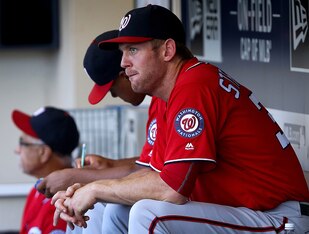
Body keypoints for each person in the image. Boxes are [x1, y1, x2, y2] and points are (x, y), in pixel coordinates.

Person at [52, 4, 309, 233]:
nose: (123, 62)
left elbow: (171, 190)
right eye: (122, 52)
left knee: (147, 214)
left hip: (281, 219)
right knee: (118, 209)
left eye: (132, 50)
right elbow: (152, 174)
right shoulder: (169, 95)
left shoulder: (195, 84)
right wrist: (86, 189)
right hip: (248, 213)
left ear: (167, 50)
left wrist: (95, 189)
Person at [36, 30, 161, 232]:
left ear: (126, 73)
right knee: (95, 206)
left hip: (211, 204)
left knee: (109, 208)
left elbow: (156, 174)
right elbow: (152, 164)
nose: (112, 95)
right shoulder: (158, 100)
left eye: (111, 88)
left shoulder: (172, 96)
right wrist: (109, 165)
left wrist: (80, 179)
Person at [12, 106, 79, 234]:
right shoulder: (37, 190)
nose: (17, 150)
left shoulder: (66, 202)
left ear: (43, 153)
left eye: (22, 143)